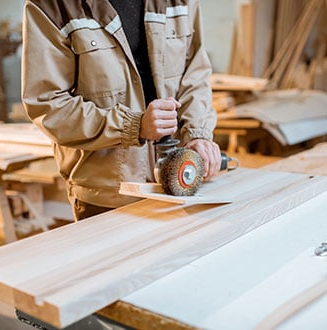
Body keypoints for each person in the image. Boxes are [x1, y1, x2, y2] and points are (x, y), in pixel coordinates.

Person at [22, 0, 222, 220]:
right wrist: (133, 126)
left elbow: (195, 76)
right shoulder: (54, 6)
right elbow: (49, 106)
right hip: (108, 196)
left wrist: (197, 134)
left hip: (182, 184)